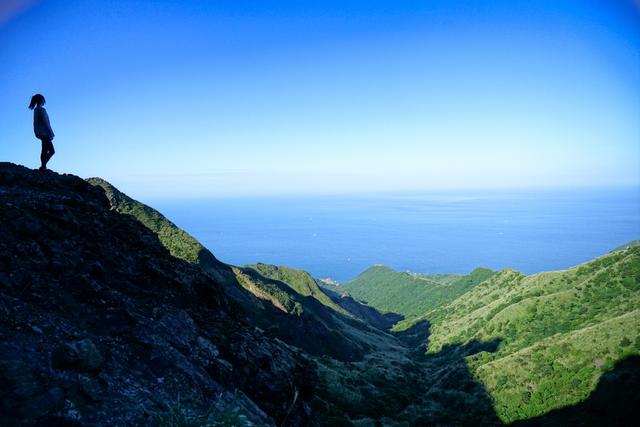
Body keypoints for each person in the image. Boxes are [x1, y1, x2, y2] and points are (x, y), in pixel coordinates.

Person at [28, 94, 55, 171]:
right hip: (45, 133)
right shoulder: (42, 110)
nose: (44, 101)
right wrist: (51, 133)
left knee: (44, 149)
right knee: (51, 151)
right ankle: (43, 166)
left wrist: (36, 132)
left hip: (40, 133)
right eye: (43, 100)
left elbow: (35, 123)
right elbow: (46, 122)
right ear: (42, 100)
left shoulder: (36, 110)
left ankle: (43, 166)